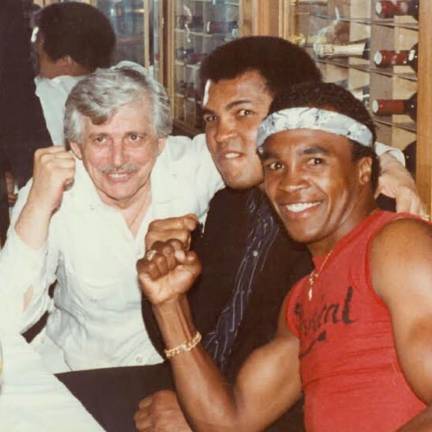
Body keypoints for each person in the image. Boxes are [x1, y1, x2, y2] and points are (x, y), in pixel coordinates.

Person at [134, 36, 425, 431]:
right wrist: (169, 305)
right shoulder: (304, 299)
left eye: (315, 161)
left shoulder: (396, 244)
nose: (290, 183)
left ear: (363, 172)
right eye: (275, 165)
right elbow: (230, 424)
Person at [0, 64, 222, 374]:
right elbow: (7, 318)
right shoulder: (52, 191)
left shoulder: (190, 166)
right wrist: (38, 204)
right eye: (100, 140)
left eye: (134, 137)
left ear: (160, 142)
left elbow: (264, 152)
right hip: (81, 369)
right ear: (76, 147)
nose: (118, 160)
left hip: (176, 372)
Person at [33, 1, 116, 147]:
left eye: (39, 39)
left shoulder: (43, 93)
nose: (34, 46)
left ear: (66, 60)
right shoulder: (114, 85)